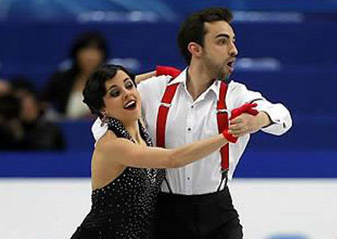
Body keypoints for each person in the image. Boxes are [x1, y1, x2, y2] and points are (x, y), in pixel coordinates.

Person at [92, 7, 292, 239]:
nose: (234, 50)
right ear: (195, 49)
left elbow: (283, 117)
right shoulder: (154, 91)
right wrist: (138, 80)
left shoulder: (236, 96)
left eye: (233, 41)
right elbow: (102, 119)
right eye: (222, 41)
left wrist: (259, 120)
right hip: (162, 213)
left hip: (218, 212)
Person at [71, 64, 257, 239]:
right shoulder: (113, 145)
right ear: (103, 109)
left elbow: (131, 86)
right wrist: (227, 136)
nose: (127, 94)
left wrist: (159, 72)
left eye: (129, 86)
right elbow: (173, 159)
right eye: (115, 93)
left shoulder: (141, 129)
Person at [0, 77, 65, 150]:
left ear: (35, 101)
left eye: (24, 99)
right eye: (16, 100)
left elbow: (45, 157)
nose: (21, 104)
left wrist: (20, 136)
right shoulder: (2, 127)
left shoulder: (49, 130)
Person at [42, 32, 107, 119]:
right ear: (76, 54)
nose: (90, 57)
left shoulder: (113, 79)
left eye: (95, 50)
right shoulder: (61, 79)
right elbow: (43, 104)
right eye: (85, 50)